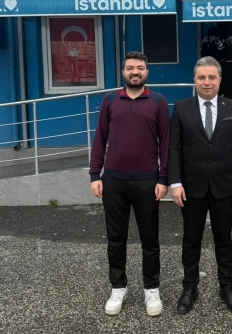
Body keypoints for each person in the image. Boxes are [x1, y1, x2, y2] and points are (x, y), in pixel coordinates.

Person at [168, 56, 232, 315]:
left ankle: (227, 287)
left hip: (224, 186)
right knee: (191, 240)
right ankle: (189, 287)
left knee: (224, 240)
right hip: (191, 188)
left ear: (219, 80)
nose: (207, 82)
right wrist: (175, 182)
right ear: (194, 80)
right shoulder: (181, 108)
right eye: (202, 77)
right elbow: (174, 148)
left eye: (212, 77)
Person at [89, 51, 169, 317]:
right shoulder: (110, 100)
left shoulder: (158, 101)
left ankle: (151, 289)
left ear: (147, 72)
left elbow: (166, 142)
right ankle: (118, 287)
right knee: (115, 239)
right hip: (114, 179)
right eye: (130, 67)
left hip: (147, 180)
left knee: (150, 240)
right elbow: (100, 138)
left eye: (140, 68)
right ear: (123, 72)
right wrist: (94, 174)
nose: (135, 72)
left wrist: (163, 178)